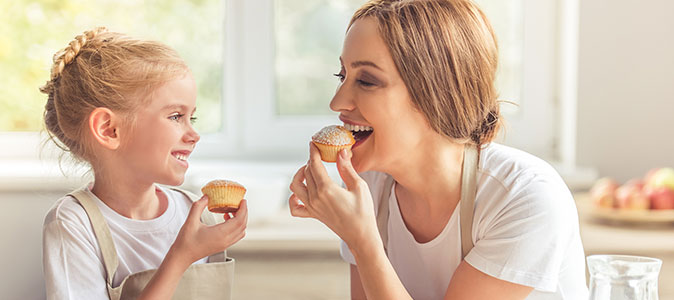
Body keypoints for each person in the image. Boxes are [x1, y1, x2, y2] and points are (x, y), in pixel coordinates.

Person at [288, 0, 588, 299]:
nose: (337, 102)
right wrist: (359, 238)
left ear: (434, 94)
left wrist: (363, 242)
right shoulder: (371, 187)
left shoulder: (523, 197)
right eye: (342, 76)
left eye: (366, 81)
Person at [41, 27, 247, 300]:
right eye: (176, 116)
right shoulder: (73, 224)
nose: (194, 135)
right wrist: (182, 256)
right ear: (109, 130)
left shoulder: (195, 215)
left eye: (192, 118)